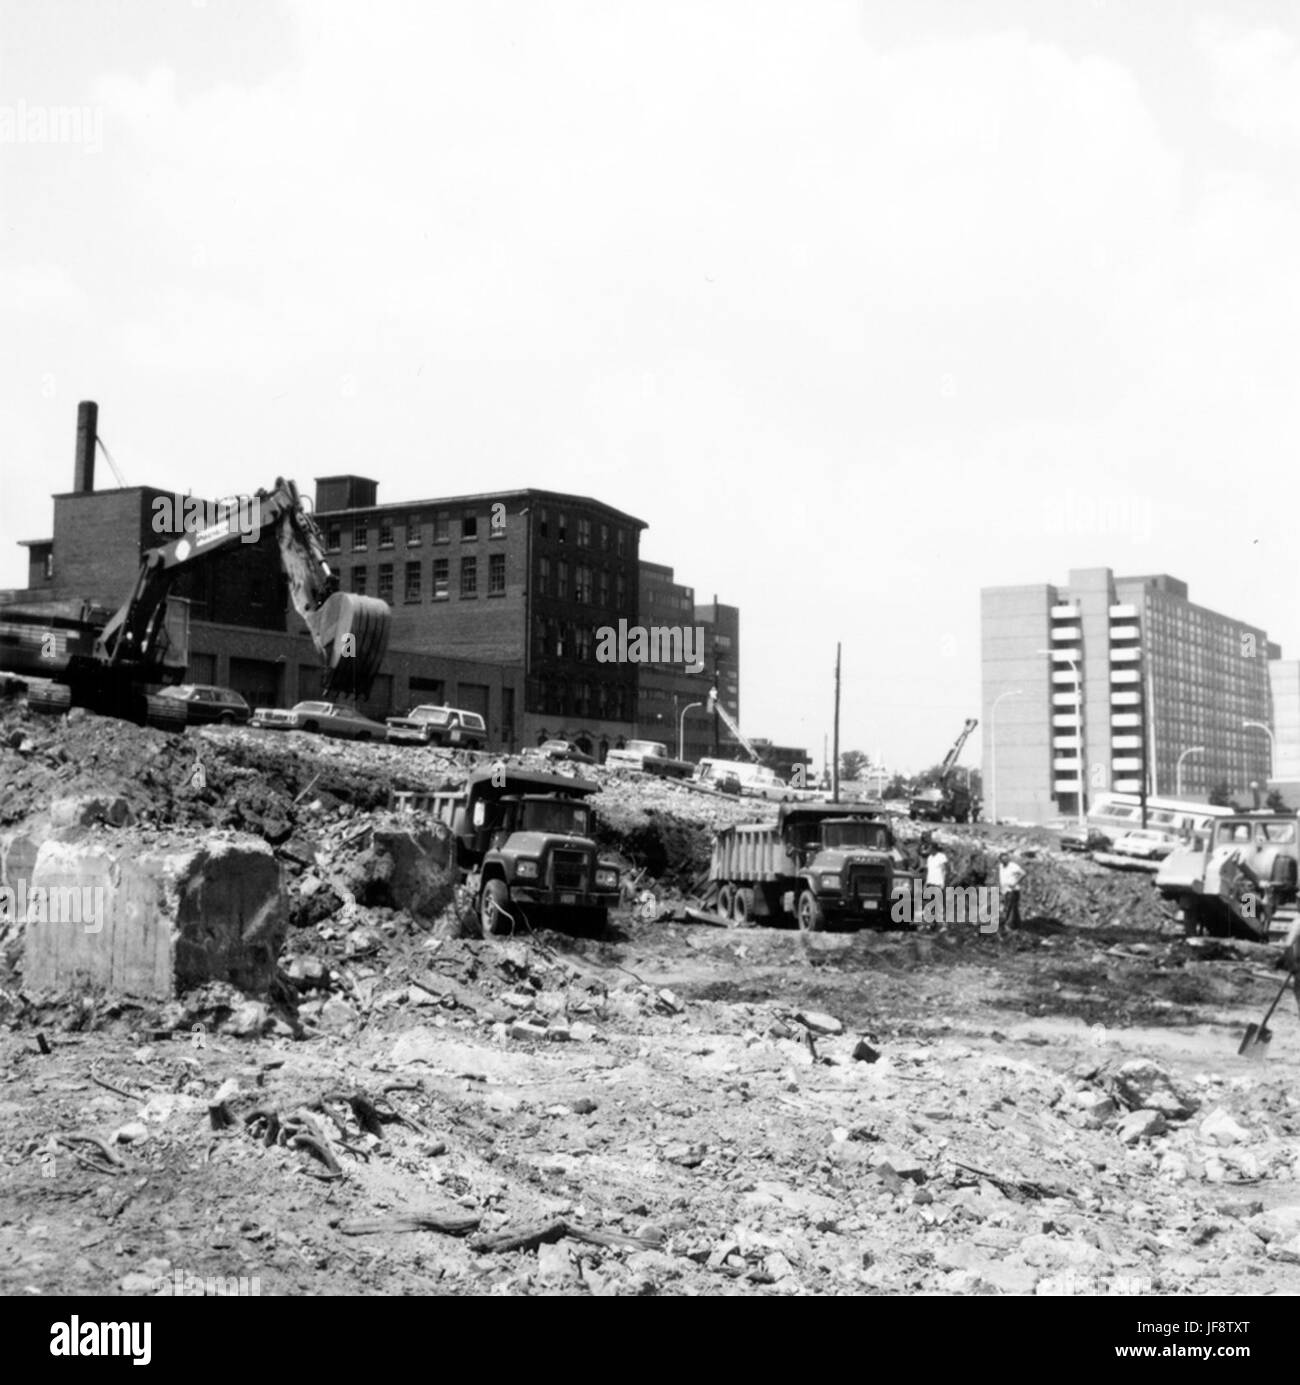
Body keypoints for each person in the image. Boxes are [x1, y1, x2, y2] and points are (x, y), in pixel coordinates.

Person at [925, 841, 949, 930]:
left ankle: (943, 926)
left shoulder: (941, 857)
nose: (928, 850)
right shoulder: (929, 858)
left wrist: (944, 883)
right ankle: (930, 924)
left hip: (938, 884)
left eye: (930, 848)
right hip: (930, 883)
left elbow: (945, 870)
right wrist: (925, 883)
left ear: (934, 848)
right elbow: (928, 872)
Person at [998, 851, 1025, 930]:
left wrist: (1015, 883)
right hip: (1005, 890)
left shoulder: (1013, 866)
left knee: (1010, 907)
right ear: (1000, 860)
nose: (1005, 861)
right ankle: (1018, 924)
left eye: (1006, 859)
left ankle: (1009, 925)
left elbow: (1023, 873)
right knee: (1013, 907)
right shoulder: (1001, 866)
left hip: (1013, 890)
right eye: (1003, 859)